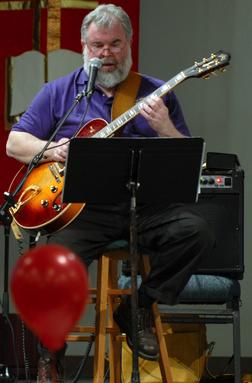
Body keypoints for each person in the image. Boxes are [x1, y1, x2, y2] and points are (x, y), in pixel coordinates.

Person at [6, 2, 215, 381]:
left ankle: (138, 307)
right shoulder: (60, 92)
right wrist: (56, 149)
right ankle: (49, 356)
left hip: (145, 208)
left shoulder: (155, 93)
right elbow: (14, 144)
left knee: (196, 231)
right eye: (97, 45)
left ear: (129, 44)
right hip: (82, 213)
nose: (106, 54)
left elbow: (190, 162)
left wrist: (166, 127)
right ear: (84, 46)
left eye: (114, 44)